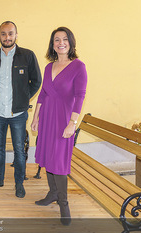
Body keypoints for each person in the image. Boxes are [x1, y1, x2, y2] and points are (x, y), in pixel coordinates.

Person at [31, 27, 87, 225]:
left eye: (64, 39)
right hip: (47, 118)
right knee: (48, 155)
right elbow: (43, 94)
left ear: (70, 43)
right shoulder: (48, 67)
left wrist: (73, 123)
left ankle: (64, 203)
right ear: (52, 44)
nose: (61, 42)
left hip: (64, 120)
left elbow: (80, 96)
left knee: (60, 162)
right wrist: (36, 118)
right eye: (57, 39)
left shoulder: (78, 66)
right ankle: (53, 193)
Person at [0, 21, 42, 198]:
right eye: (3, 34)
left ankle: (19, 183)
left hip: (18, 113)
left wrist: (23, 98)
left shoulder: (28, 56)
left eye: (10, 33)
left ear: (16, 35)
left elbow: (36, 81)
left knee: (19, 149)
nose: (7, 37)